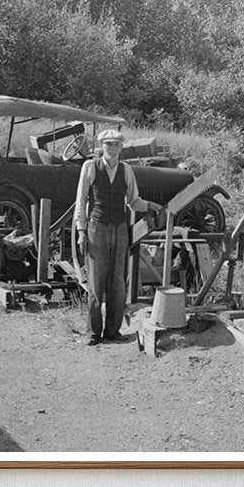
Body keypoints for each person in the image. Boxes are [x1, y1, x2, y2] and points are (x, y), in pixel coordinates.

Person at [74, 128, 163, 346]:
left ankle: (112, 332)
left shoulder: (126, 171)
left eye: (116, 145)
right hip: (97, 228)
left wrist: (152, 205)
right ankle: (93, 333)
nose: (112, 149)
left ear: (121, 148)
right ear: (101, 147)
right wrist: (81, 231)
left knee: (117, 283)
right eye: (108, 145)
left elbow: (134, 201)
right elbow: (81, 201)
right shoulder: (90, 167)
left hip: (120, 228)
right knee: (96, 282)